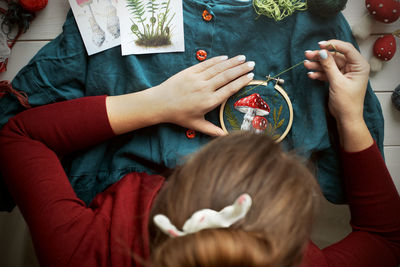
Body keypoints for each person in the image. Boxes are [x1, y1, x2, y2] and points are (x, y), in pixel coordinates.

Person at [0, 40, 399, 266]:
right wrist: (350, 116)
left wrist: (153, 103)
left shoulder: (82, 251)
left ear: (176, 182)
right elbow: (388, 239)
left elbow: (17, 136)